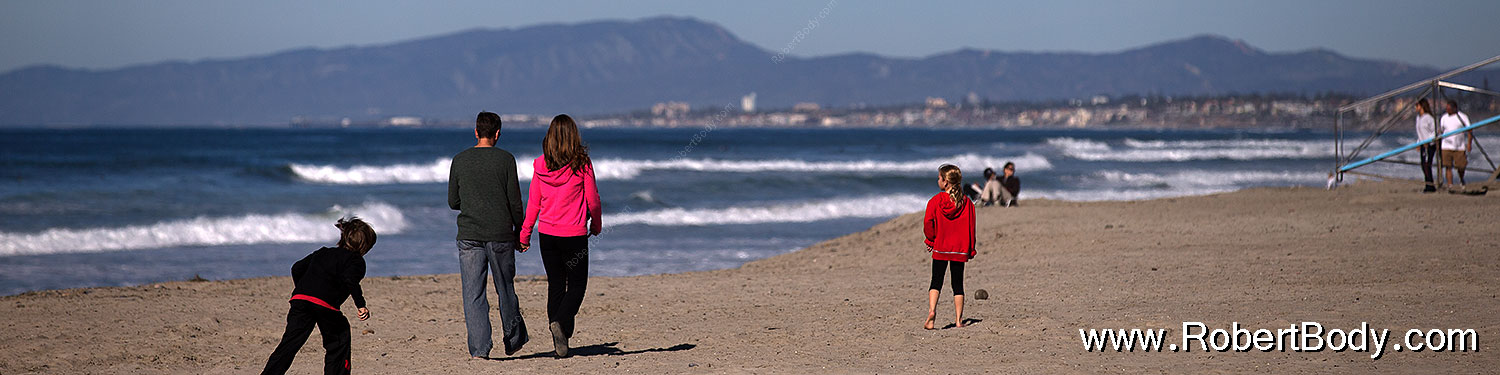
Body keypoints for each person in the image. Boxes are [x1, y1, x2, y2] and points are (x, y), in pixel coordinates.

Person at [519, 114, 602, 357]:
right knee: (577, 285)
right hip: (574, 235)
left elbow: (534, 203)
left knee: (556, 284)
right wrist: (596, 225)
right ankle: (561, 323)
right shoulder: (582, 164)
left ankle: (560, 336)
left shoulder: (540, 166)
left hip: (548, 235)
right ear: (574, 136)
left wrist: (525, 235)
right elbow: (593, 201)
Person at [448, 111, 527, 359]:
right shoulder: (506, 160)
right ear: (497, 133)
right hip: (501, 232)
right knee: (505, 288)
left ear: (475, 132)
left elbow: (453, 201)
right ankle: (513, 339)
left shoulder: (459, 160)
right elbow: (515, 202)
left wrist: (473, 203)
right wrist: (520, 231)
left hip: (469, 233)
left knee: (473, 294)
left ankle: (480, 350)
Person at [262, 217, 376, 375]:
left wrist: (304, 290)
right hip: (325, 305)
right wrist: (361, 305)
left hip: (300, 300)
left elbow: (296, 268)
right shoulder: (356, 261)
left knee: (289, 344)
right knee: (339, 338)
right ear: (365, 245)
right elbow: (350, 280)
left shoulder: (323, 252)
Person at [922, 164, 976, 330]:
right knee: (957, 284)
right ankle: (959, 320)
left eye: (939, 178)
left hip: (940, 247)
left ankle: (932, 312)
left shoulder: (935, 201)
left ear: (945, 182)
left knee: (936, 281)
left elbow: (927, 222)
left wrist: (930, 240)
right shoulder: (967, 203)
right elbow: (971, 227)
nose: (937, 180)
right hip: (959, 249)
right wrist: (971, 249)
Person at [1438, 99, 1473, 191]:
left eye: (1449, 109)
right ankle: (1450, 185)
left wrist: (1469, 143)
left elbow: (1469, 130)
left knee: (1461, 166)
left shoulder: (1462, 117)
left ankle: (1461, 179)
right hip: (1446, 146)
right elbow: (1440, 131)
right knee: (1448, 166)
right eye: (1446, 109)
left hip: (1459, 146)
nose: (1447, 111)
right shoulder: (1444, 117)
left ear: (1454, 108)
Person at [1415, 99, 1439, 193]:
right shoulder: (1418, 118)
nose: (1415, 108)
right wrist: (1419, 143)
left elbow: (1434, 131)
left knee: (1427, 164)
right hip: (1422, 144)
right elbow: (1420, 132)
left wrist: (1428, 141)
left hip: (1429, 145)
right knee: (1423, 164)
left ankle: (1430, 185)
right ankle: (1428, 184)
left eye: (1417, 106)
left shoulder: (1429, 118)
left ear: (1421, 106)